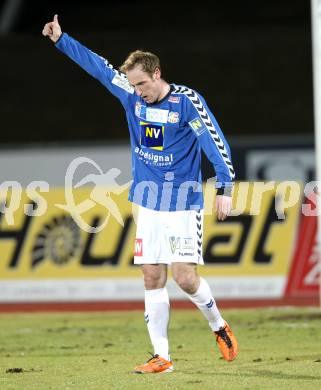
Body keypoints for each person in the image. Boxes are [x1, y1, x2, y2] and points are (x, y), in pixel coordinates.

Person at [42, 15, 238, 374]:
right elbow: (98, 67)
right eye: (133, 85)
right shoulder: (130, 93)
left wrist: (224, 186)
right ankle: (162, 357)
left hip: (182, 201)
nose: (139, 92)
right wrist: (61, 40)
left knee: (185, 278)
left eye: (143, 84)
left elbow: (215, 142)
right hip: (147, 200)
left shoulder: (186, 103)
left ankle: (217, 325)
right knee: (151, 275)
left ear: (158, 73)